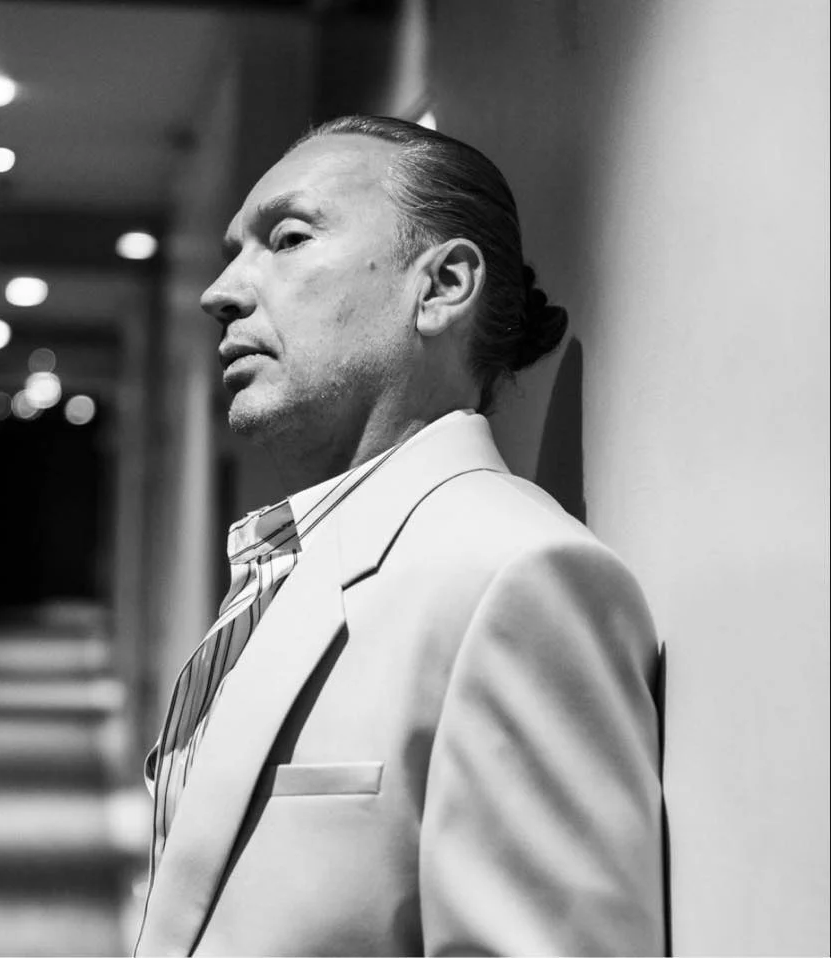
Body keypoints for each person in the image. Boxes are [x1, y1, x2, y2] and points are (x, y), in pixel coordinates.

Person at [135, 115, 665, 956]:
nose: (221, 291)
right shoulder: (302, 556)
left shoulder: (518, 575)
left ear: (443, 286)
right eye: (236, 250)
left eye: (288, 238)